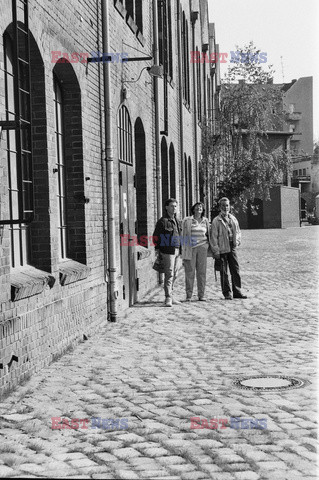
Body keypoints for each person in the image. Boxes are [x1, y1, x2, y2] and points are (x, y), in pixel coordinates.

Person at [211, 197, 247, 300]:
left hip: (232, 247)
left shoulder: (233, 218)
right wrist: (216, 250)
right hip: (222, 248)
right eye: (223, 205)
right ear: (220, 207)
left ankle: (237, 291)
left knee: (235, 269)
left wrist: (237, 241)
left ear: (229, 206)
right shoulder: (216, 221)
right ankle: (227, 293)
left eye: (227, 205)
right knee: (224, 272)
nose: (225, 207)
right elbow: (213, 237)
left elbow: (238, 232)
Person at [153, 198, 182, 307]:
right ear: (166, 207)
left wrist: (181, 250)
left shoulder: (177, 221)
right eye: (171, 206)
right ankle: (168, 297)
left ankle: (171, 295)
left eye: (175, 206)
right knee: (169, 274)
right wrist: (159, 250)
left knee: (175, 274)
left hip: (177, 250)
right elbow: (155, 237)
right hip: (167, 251)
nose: (174, 208)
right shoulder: (162, 221)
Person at [182, 202, 210, 302]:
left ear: (203, 210)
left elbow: (209, 234)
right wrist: (183, 250)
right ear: (193, 209)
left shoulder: (205, 221)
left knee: (202, 272)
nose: (199, 209)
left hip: (202, 248)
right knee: (190, 272)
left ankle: (201, 295)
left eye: (201, 207)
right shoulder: (187, 220)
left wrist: (207, 246)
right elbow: (183, 235)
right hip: (191, 248)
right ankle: (188, 295)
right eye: (197, 207)